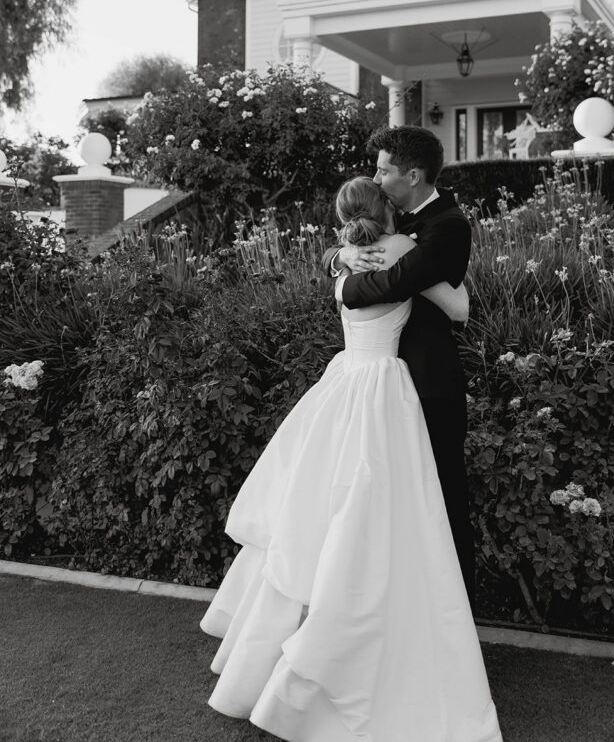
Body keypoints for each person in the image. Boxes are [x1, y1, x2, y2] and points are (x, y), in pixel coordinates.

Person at [200, 176, 502, 742]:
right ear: (386, 207)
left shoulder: (340, 261)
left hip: (343, 384)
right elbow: (457, 306)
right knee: (387, 514)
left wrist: (339, 251)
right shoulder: (402, 248)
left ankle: (295, 635)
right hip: (387, 391)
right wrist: (414, 260)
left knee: (323, 510)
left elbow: (350, 282)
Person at [323, 125, 476, 606]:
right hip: (383, 384)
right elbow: (350, 253)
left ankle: (454, 615)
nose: (376, 176)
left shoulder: (447, 225)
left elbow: (398, 283)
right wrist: (339, 256)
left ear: (411, 175)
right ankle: (394, 606)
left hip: (428, 384)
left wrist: (344, 286)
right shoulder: (394, 226)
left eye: (383, 169)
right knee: (385, 501)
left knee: (441, 498)